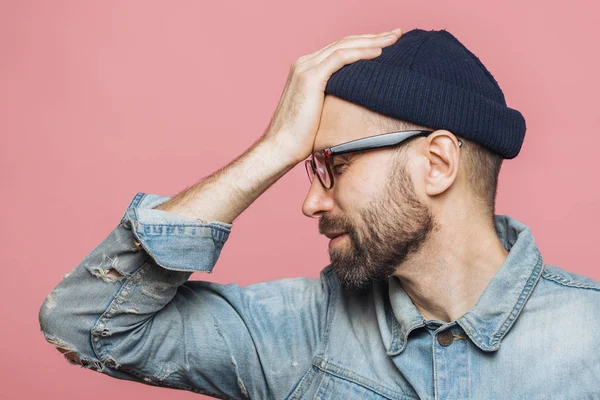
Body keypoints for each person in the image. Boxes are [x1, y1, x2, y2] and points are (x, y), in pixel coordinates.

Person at [39, 27, 600, 400]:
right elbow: (88, 325)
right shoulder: (298, 332)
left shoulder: (590, 341)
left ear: (436, 163)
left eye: (335, 164)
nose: (311, 201)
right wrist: (275, 147)